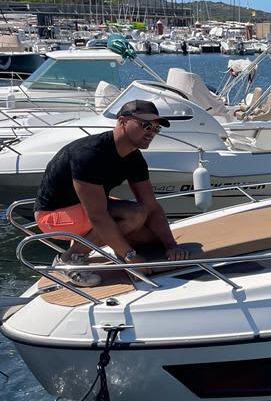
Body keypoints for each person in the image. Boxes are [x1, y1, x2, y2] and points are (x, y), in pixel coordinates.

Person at [34, 100, 190, 286]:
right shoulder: (89, 154)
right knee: (134, 214)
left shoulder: (133, 157)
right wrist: (131, 258)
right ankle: (69, 259)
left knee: (151, 237)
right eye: (146, 125)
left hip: (86, 208)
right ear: (122, 121)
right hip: (53, 217)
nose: (151, 132)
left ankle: (90, 246)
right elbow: (98, 216)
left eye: (156, 129)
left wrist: (171, 245)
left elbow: (152, 206)